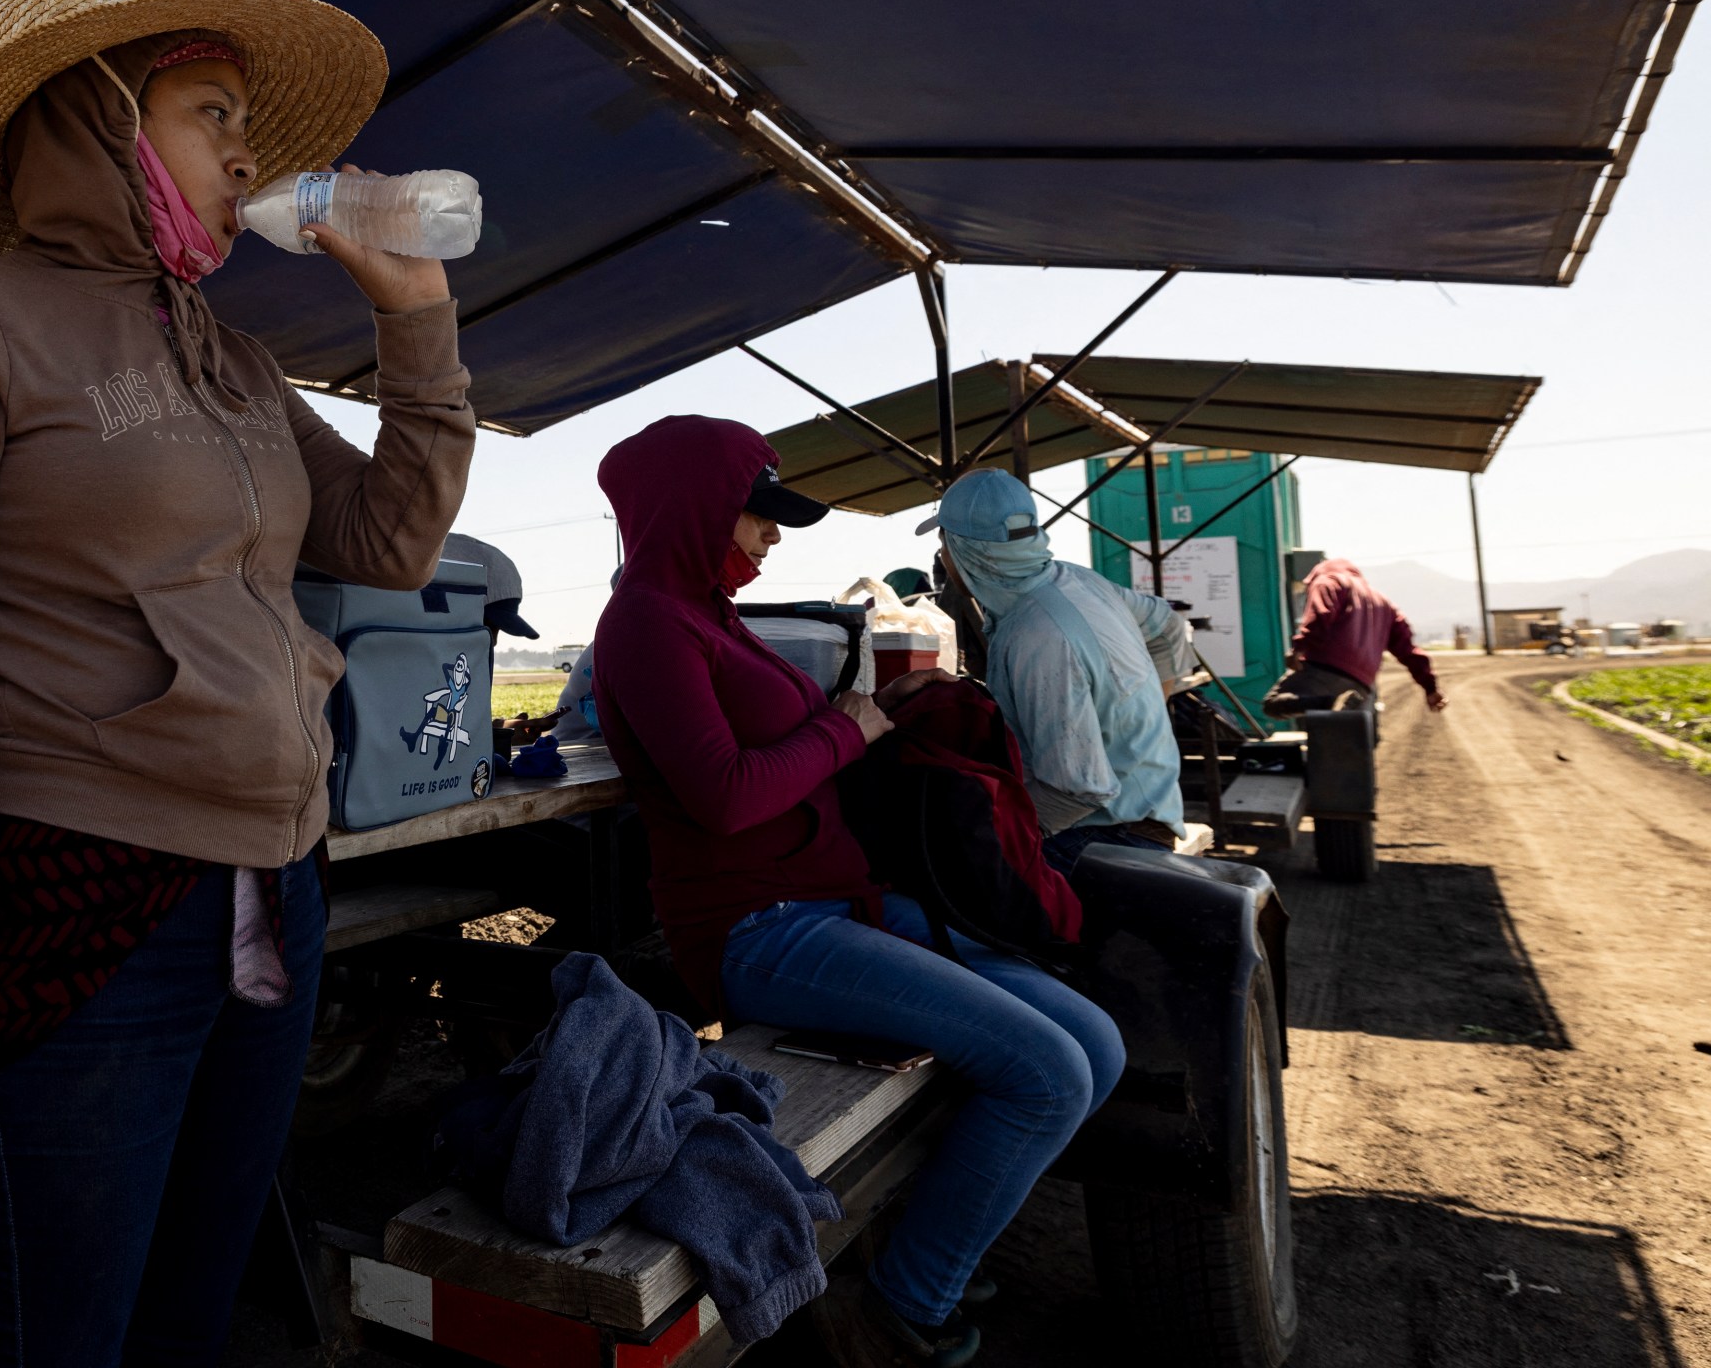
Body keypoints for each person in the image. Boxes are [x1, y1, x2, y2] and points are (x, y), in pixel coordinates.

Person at [0, 0, 476, 1366]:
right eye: (214, 115)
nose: (247, 157)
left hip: (274, 891)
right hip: (81, 895)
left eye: (248, 123)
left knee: (195, 1307)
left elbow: (385, 545)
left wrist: (415, 324)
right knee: (54, 1333)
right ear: (99, 112)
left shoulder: (228, 354)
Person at [592, 418, 1123, 1368]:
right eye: (757, 513)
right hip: (758, 931)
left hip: (838, 905)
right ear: (693, 507)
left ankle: (936, 1240)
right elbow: (723, 796)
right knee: (1048, 1074)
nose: (773, 535)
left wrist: (881, 722)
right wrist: (855, 725)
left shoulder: (711, 615)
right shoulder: (645, 622)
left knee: (1096, 1041)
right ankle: (901, 1307)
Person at [918, 470, 1196, 877]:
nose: (942, 557)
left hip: (1109, 837)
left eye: (943, 543)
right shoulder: (1079, 580)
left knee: (939, 868)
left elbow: (1079, 790)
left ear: (965, 551)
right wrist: (1144, 708)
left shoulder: (1036, 635)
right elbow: (1167, 623)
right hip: (1150, 808)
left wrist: (995, 832)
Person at [1264, 557, 1447, 716]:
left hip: (1323, 669)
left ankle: (1328, 704)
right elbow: (1408, 650)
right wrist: (1430, 687)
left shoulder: (1328, 581)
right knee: (1343, 737)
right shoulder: (1382, 602)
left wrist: (1299, 648)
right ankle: (1332, 709)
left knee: (1273, 704)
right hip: (1362, 683)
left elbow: (1320, 615)